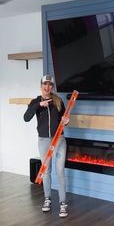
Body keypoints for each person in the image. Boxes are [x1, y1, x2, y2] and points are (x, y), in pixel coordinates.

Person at [24, 75, 69, 218]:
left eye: (50, 84)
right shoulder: (35, 102)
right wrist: (38, 106)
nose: (47, 87)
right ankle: (47, 199)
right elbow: (26, 118)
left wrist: (66, 121)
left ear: (52, 86)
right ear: (41, 85)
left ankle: (63, 203)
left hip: (59, 140)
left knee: (60, 171)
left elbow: (64, 120)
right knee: (47, 171)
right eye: (45, 84)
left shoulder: (58, 101)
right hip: (44, 141)